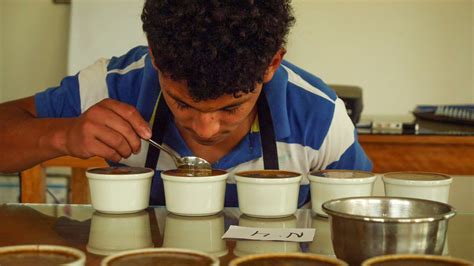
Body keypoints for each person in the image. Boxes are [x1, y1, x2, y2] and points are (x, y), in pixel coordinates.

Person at [0, 0, 372, 207]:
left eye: (231, 107)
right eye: (182, 103)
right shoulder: (114, 86)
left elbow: (356, 220)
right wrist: (64, 135)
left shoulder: (320, 119)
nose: (205, 130)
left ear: (271, 65)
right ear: (156, 59)